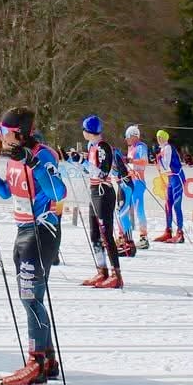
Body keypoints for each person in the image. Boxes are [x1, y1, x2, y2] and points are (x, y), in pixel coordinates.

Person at [0, 107, 67, 385]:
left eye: (4, 131)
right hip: (23, 229)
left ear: (19, 133)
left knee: (30, 298)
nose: (1, 136)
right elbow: (7, 192)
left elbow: (58, 192)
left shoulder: (43, 154)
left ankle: (36, 362)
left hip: (42, 230)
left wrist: (33, 163)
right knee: (31, 297)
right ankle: (47, 360)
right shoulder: (13, 157)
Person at [79, 115, 123, 289]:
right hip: (94, 191)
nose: (82, 132)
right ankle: (101, 270)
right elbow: (90, 171)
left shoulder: (103, 146)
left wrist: (83, 162)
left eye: (83, 129)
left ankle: (116, 275)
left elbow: (103, 173)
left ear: (88, 131)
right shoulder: (92, 147)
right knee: (95, 234)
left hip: (103, 192)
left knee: (106, 235)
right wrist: (78, 161)